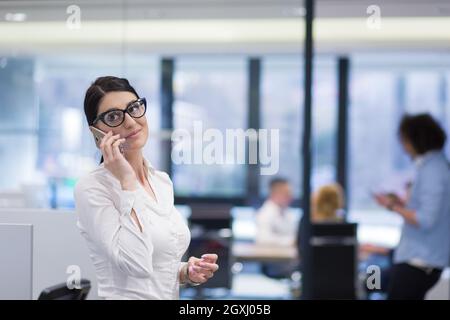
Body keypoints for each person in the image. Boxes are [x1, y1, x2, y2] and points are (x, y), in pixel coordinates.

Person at [74, 76, 219, 299]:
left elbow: (156, 267)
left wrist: (184, 272)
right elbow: (136, 264)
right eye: (113, 116)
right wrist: (127, 182)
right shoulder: (93, 188)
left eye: (133, 108)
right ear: (97, 133)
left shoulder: (161, 181)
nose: (131, 122)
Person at [374, 113, 450, 300]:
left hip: (419, 261)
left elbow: (426, 219)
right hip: (422, 259)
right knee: (373, 278)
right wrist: (401, 204)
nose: (404, 147)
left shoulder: (433, 170)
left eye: (404, 140)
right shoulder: (436, 166)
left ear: (416, 139)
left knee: (372, 279)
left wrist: (392, 206)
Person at [255, 178, 297, 246]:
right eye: (287, 194)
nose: (291, 197)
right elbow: (263, 239)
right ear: (275, 193)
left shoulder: (288, 212)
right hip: (270, 255)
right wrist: (290, 241)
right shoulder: (264, 213)